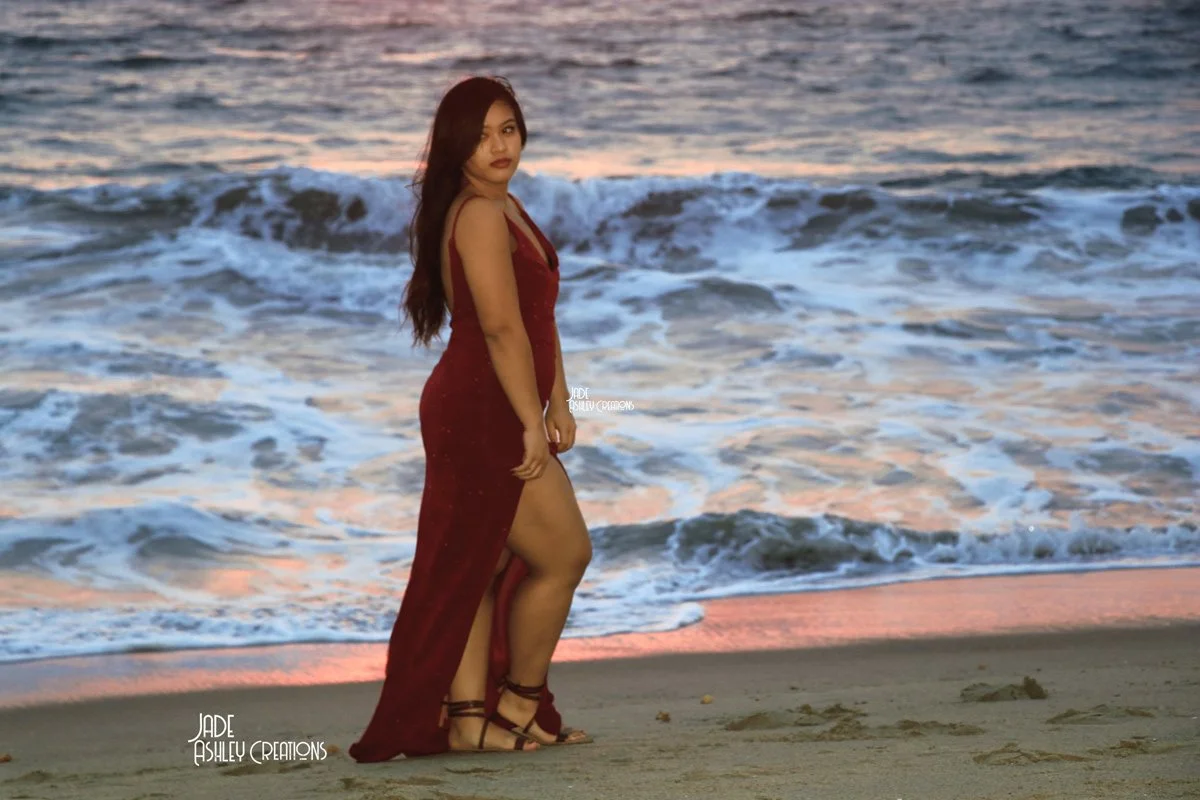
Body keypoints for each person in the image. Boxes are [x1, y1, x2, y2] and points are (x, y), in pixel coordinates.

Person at [347, 75, 594, 761]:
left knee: (482, 565)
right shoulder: (479, 216)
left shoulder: (504, 206)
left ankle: (470, 718)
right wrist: (526, 419)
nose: (498, 146)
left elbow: (539, 320)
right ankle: (514, 704)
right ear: (456, 144)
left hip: (494, 402)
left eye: (508, 129)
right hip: (479, 407)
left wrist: (560, 400)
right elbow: (498, 330)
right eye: (482, 134)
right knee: (564, 553)